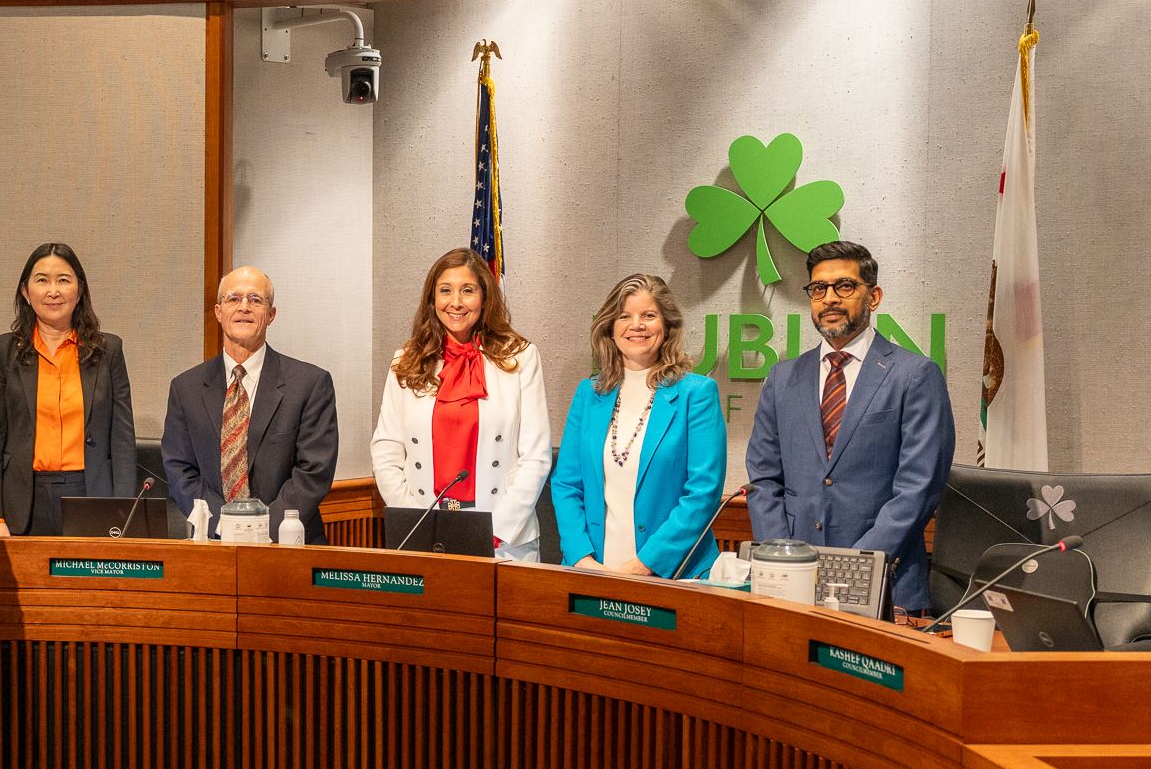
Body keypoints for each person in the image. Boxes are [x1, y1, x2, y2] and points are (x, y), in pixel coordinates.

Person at [746, 239, 955, 615]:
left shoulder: (914, 375)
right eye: (818, 289)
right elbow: (763, 478)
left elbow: (919, 488)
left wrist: (857, 565)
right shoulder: (782, 378)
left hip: (886, 586)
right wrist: (783, 558)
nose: (829, 299)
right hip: (792, 583)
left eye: (845, 286)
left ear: (873, 297)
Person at [372, 248, 550, 560]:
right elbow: (386, 450)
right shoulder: (406, 359)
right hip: (425, 529)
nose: (456, 302)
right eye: (445, 291)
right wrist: (419, 521)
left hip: (504, 535)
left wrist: (497, 528)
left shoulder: (520, 357)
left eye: (467, 290)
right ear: (432, 299)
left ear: (484, 297)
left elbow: (536, 456)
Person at [549, 274, 726, 578]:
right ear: (610, 328)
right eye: (624, 316)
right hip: (595, 569)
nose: (637, 325)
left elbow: (703, 492)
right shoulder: (588, 394)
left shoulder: (696, 394)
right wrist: (580, 556)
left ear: (667, 325)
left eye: (648, 315)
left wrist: (647, 564)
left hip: (674, 572)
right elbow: (566, 484)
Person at [161, 266, 338, 541]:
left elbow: (313, 471)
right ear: (219, 313)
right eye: (234, 299)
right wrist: (224, 527)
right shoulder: (185, 388)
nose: (244, 307)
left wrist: (260, 531)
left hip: (286, 542)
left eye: (255, 300)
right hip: (213, 541)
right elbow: (179, 469)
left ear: (271, 315)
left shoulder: (310, 384)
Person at [0, 242, 136, 537]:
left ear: (79, 290)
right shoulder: (5, 351)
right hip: (24, 499)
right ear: (25, 292)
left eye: (63, 280)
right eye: (42, 280)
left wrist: (123, 512)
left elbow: (122, 439)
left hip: (90, 493)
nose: (53, 291)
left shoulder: (108, 350)